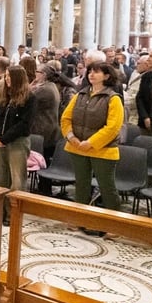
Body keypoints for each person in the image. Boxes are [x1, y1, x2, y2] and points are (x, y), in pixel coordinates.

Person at [60, 62, 124, 228]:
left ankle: (114, 226)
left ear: (107, 76)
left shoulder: (113, 98)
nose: (91, 75)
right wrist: (71, 136)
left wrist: (91, 143)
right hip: (77, 147)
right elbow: (66, 118)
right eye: (90, 72)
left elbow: (113, 127)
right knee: (81, 185)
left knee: (107, 187)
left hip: (103, 150)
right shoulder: (80, 95)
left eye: (96, 72)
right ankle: (79, 219)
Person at [0, 65, 35, 225]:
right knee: (1, 179)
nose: (7, 79)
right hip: (1, 142)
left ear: (18, 78)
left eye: (10, 76)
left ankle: (13, 214)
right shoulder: (4, 95)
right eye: (6, 76)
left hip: (17, 142)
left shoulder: (29, 97)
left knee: (17, 180)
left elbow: (24, 124)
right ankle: (0, 212)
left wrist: (4, 139)